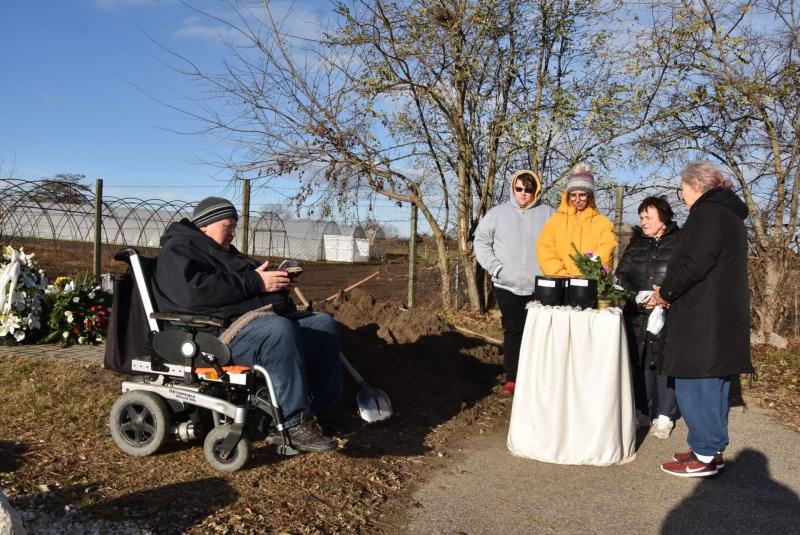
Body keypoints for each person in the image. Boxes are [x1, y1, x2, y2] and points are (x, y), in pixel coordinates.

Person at [152, 197, 343, 452]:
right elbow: (194, 294)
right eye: (228, 226)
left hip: (239, 321)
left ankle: (319, 411)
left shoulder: (223, 252)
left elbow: (246, 286)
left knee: (322, 324)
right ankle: (291, 423)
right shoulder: (178, 250)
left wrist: (277, 286)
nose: (233, 232)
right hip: (209, 333)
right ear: (205, 225)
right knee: (278, 332)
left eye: (234, 226)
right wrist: (256, 282)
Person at [653, 162, 753, 477]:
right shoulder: (727, 215)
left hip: (703, 317)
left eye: (681, 189)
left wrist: (666, 292)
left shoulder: (708, 214)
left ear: (696, 185)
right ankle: (706, 447)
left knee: (697, 384)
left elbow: (695, 263)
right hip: (716, 314)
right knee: (713, 384)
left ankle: (705, 455)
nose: (681, 196)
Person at [474, 170, 553, 396]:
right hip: (506, 284)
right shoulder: (497, 214)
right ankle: (513, 378)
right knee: (513, 330)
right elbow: (480, 242)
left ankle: (536, 379)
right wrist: (496, 267)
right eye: (519, 189)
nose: (523, 194)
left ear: (535, 191)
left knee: (539, 333)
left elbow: (560, 241)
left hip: (540, 284)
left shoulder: (547, 214)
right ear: (513, 188)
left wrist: (551, 272)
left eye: (528, 189)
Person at [615, 196, 680, 439]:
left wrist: (665, 296)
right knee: (640, 361)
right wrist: (637, 296)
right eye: (641, 217)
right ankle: (643, 410)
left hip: (669, 312)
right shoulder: (636, 244)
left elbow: (686, 276)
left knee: (664, 362)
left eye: (648, 217)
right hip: (638, 314)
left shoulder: (680, 242)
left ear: (663, 218)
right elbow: (620, 278)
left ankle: (665, 415)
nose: (643, 222)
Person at [536, 163, 617, 276]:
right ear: (568, 195)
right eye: (573, 195)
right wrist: (559, 273)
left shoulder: (603, 223)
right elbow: (545, 249)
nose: (577, 200)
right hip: (561, 283)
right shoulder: (555, 221)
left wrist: (589, 272)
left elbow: (605, 251)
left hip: (590, 284)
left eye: (582, 195)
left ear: (589, 196)